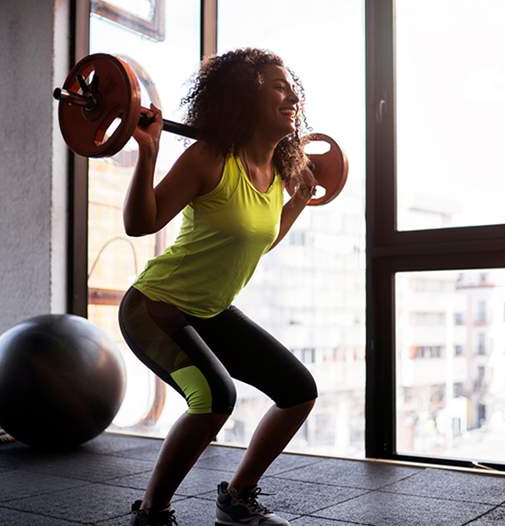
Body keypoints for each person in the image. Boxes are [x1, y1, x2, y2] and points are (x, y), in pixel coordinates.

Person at [118, 48, 319, 526]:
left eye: (291, 86)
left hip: (210, 310)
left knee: (297, 390)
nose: (291, 94)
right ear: (244, 98)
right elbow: (140, 223)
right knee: (214, 399)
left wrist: (301, 199)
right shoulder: (208, 158)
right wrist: (147, 153)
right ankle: (151, 512)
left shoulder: (274, 176)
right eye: (277, 85)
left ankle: (237, 498)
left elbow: (256, 243)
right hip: (155, 309)